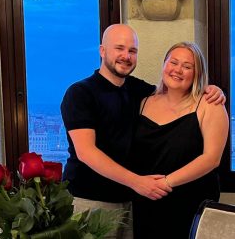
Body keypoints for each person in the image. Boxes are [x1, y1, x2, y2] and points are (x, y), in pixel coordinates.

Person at [60, 24, 225, 238]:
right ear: (102, 50)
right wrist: (137, 182)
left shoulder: (140, 92)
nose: (126, 56)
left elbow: (175, 90)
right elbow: (86, 152)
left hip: (134, 203)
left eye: (132, 51)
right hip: (91, 200)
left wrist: (212, 89)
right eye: (119, 48)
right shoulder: (80, 93)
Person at [129, 42, 229, 239]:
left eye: (187, 66)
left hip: (192, 203)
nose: (178, 70)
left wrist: (166, 183)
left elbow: (211, 159)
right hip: (146, 202)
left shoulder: (210, 105)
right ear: (164, 65)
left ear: (197, 73)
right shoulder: (143, 102)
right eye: (173, 62)